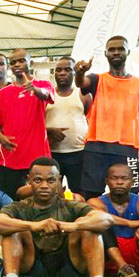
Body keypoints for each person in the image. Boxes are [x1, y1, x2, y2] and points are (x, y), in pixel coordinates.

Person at [0, 157, 117, 277]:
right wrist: (34, 226)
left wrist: (72, 226)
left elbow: (106, 220)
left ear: (59, 181)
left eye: (50, 180)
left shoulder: (71, 206)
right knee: (14, 227)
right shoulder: (18, 207)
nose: (44, 185)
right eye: (38, 180)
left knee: (89, 226)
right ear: (29, 181)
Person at [75, 36, 139, 200]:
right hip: (96, 147)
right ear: (105, 53)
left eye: (120, 49)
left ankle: (128, 219)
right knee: (91, 196)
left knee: (130, 196)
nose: (116, 52)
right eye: (112, 49)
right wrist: (80, 72)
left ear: (128, 52)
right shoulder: (97, 79)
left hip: (127, 148)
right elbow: (81, 83)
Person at [0, 48, 54, 199]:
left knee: (38, 202)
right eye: (13, 62)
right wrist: (0, 137)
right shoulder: (2, 93)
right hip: (9, 158)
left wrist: (34, 89)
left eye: (21, 61)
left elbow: (46, 95)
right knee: (10, 202)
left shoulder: (43, 84)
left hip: (36, 158)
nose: (17, 65)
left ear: (30, 63)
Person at [45, 57, 90, 195]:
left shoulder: (83, 94)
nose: (62, 73)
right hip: (52, 153)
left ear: (74, 72)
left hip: (78, 153)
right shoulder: (47, 95)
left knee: (79, 193)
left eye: (67, 69)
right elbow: (36, 123)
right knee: (51, 193)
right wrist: (49, 131)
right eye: (58, 70)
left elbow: (90, 118)